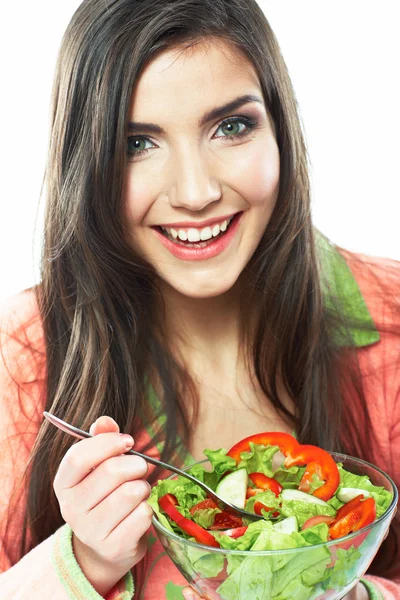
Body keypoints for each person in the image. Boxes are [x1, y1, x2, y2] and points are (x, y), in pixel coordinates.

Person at [0, 0, 399, 598]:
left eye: (231, 127)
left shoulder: (391, 318)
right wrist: (80, 562)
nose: (196, 192)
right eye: (137, 143)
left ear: (280, 127)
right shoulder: (25, 354)